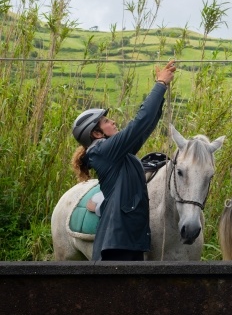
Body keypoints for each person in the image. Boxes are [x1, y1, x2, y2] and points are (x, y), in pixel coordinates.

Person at [70, 60, 176, 261]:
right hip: (118, 243)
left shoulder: (115, 153)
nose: (113, 122)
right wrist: (159, 84)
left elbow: (144, 129)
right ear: (96, 133)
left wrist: (161, 92)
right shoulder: (102, 151)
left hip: (126, 239)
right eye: (107, 121)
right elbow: (138, 124)